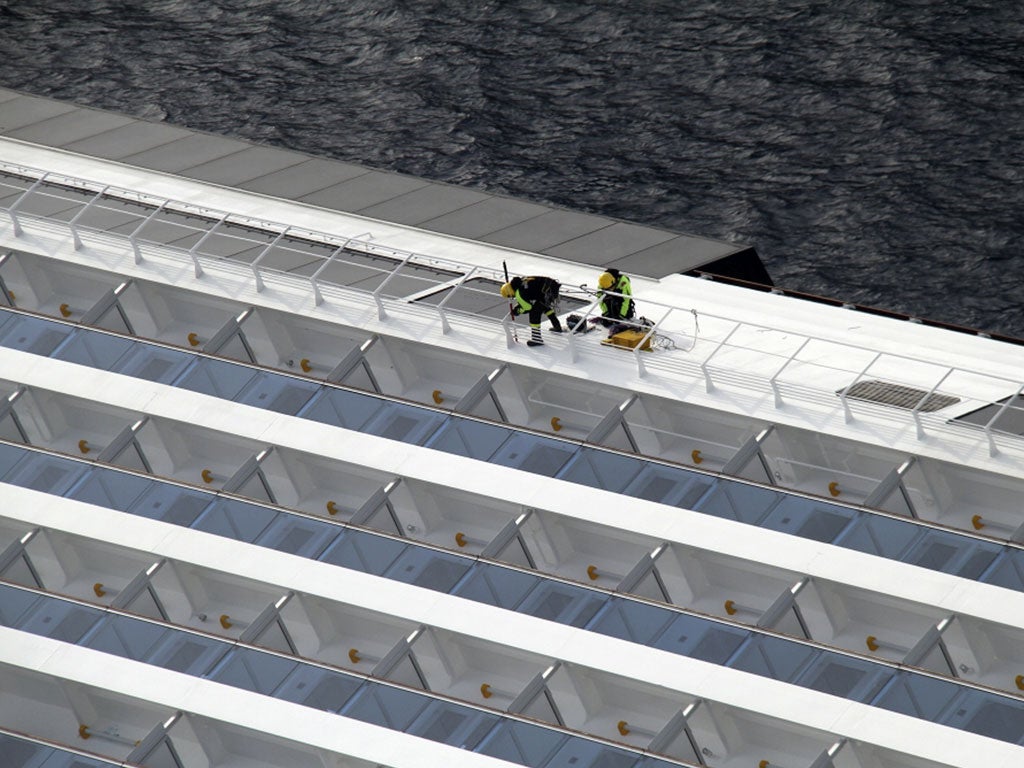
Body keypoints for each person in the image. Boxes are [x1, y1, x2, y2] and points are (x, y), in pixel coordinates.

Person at [500, 275, 563, 347]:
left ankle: (537, 339)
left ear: (510, 293)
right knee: (544, 307)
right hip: (550, 288)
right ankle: (557, 326)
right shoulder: (521, 282)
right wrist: (518, 306)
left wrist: (517, 311)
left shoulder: (518, 293)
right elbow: (526, 300)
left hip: (547, 292)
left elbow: (527, 307)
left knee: (534, 313)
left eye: (510, 296)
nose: (511, 297)